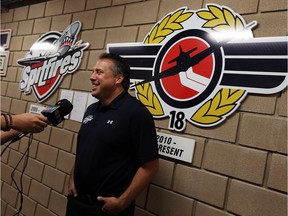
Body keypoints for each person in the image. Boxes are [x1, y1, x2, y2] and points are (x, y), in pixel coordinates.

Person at [66, 53, 159, 216]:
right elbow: (86, 150)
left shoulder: (136, 113)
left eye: (99, 72)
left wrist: (122, 202)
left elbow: (150, 167)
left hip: (107, 209)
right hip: (77, 202)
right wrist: (73, 177)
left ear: (118, 79)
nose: (92, 77)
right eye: (92, 71)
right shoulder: (91, 109)